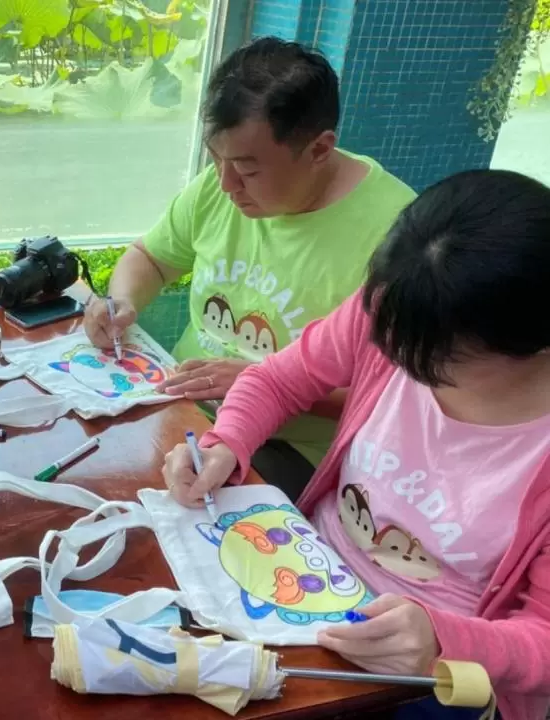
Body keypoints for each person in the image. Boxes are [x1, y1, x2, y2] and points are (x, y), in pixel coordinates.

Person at [162, 169, 550, 720]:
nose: (399, 362)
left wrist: (442, 640)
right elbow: (277, 379)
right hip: (303, 579)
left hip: (429, 670)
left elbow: (543, 638)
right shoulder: (398, 310)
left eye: (435, 363)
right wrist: (227, 443)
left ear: (533, 344)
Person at [84, 37, 415, 500]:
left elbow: (403, 398)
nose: (225, 183)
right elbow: (151, 258)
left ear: (320, 148)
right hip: (184, 401)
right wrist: (121, 302)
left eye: (248, 169)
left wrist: (261, 384)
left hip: (291, 446)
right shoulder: (222, 183)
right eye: (216, 159)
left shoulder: (402, 238)